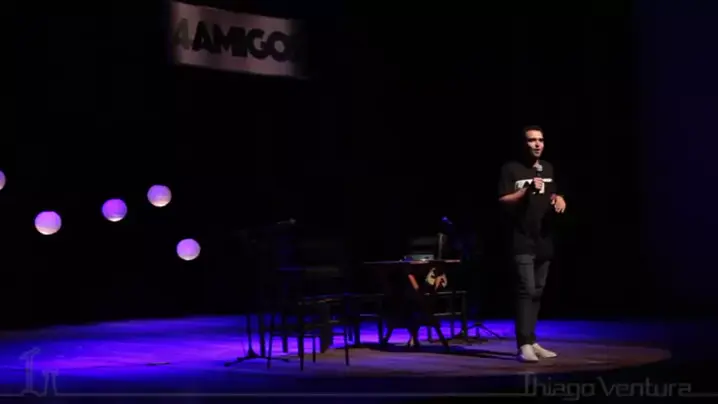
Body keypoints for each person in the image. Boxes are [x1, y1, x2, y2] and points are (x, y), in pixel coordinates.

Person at [498, 125, 567, 363]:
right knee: (525, 290)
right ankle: (523, 344)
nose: (538, 144)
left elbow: (551, 194)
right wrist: (525, 192)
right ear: (523, 144)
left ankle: (532, 339)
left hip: (543, 238)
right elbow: (503, 200)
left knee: (537, 291)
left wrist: (558, 198)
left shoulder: (547, 168)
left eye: (541, 140)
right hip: (521, 238)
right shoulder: (510, 168)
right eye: (532, 140)